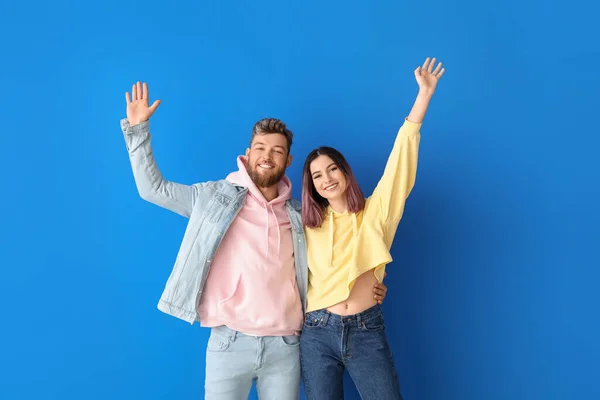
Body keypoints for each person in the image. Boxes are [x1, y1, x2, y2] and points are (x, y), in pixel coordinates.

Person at [119, 82, 389, 399]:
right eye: (260, 148)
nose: (267, 156)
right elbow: (153, 190)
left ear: (287, 160)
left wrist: (371, 281)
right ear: (247, 155)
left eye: (276, 151)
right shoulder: (213, 198)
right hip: (228, 343)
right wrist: (138, 131)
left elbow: (339, 250)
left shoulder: (302, 215)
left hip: (285, 346)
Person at [299, 57, 445, 399]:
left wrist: (422, 98)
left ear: (345, 172)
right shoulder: (305, 223)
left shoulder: (376, 211)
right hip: (316, 332)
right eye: (317, 175)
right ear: (311, 186)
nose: (326, 179)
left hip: (366, 327)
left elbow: (400, 166)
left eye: (332, 169)